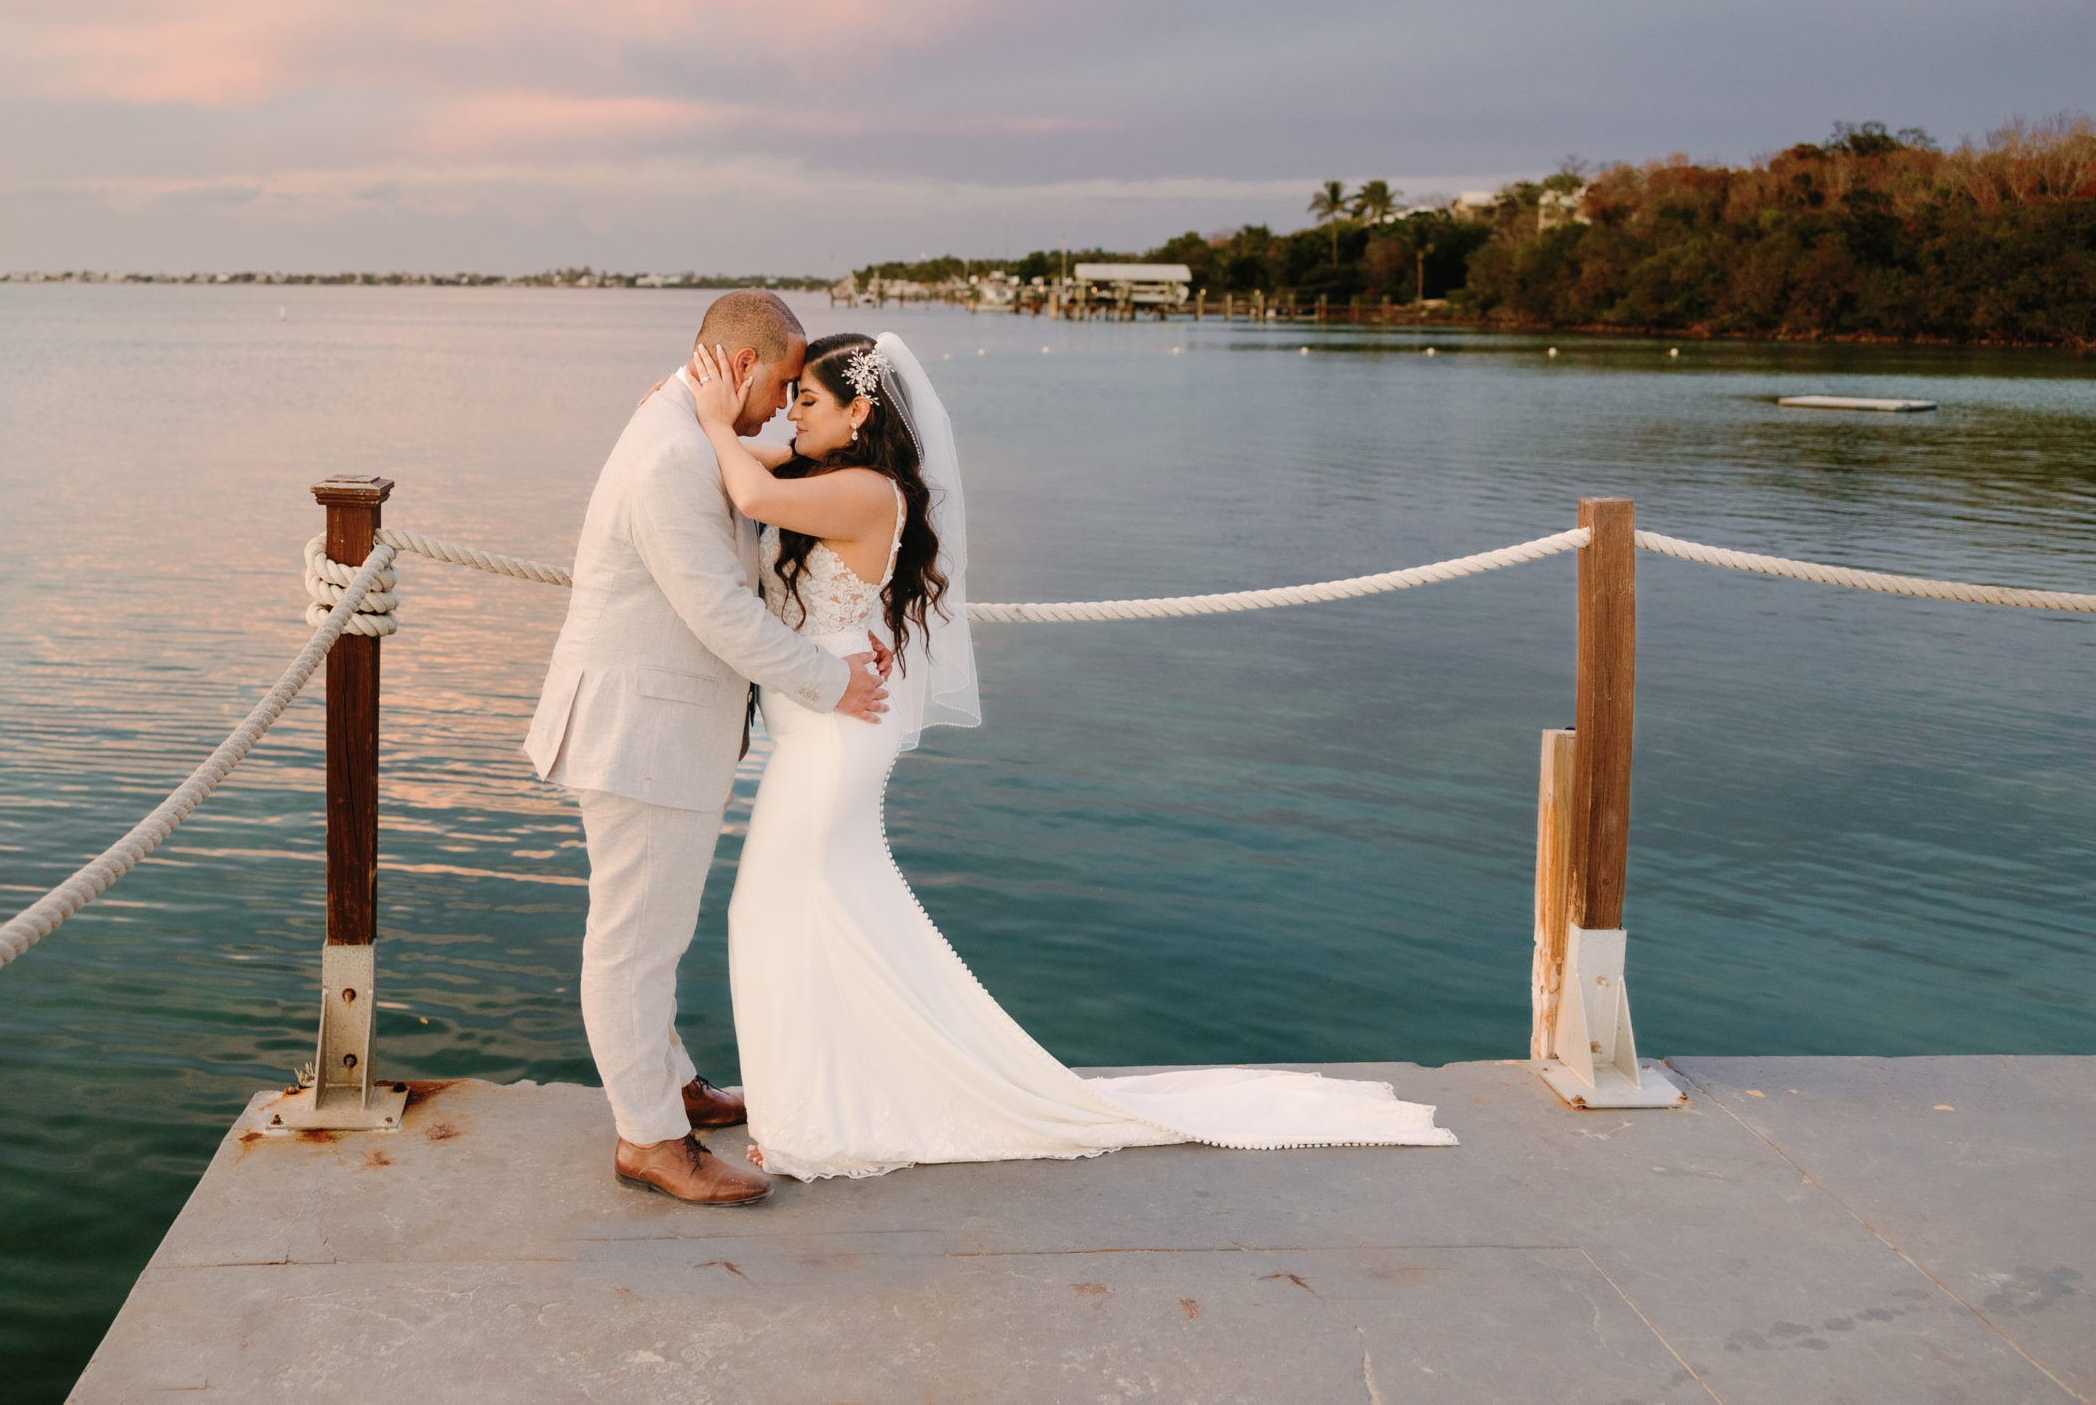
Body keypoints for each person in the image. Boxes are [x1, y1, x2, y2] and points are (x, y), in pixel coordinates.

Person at [685, 330, 1458, 1180]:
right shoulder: (823, 473)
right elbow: (755, 466)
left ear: (859, 413)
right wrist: (705, 411)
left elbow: (749, 488)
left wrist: (719, 418)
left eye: (808, 400)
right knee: (834, 912)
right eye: (787, 398)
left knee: (764, 911)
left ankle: (804, 1118)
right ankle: (824, 1096)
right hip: (817, 716)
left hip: (836, 736)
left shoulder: (866, 491)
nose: (789, 412)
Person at [526, 291, 894, 1207]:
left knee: (655, 932)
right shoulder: (669, 456)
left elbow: (764, 468)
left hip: (660, 728)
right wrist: (829, 677)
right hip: (640, 735)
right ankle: (651, 1140)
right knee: (633, 944)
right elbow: (720, 613)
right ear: (735, 364)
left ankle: (671, 1087)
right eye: (777, 381)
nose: (780, 404)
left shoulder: (687, 431)